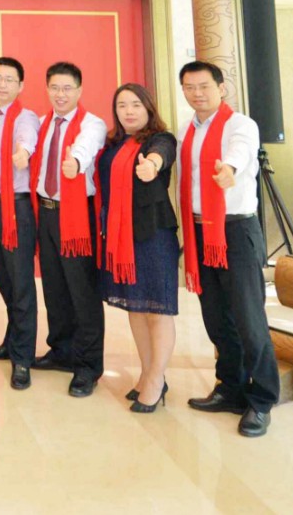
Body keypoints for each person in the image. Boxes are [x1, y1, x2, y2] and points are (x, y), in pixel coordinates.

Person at [177, 60, 277, 438]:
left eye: (204, 86)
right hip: (201, 230)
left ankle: (262, 400)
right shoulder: (187, 131)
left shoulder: (240, 125)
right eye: (189, 87)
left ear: (221, 88)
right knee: (217, 319)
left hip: (235, 231)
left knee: (249, 320)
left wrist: (229, 170)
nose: (197, 93)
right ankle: (231, 388)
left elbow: (241, 151)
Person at [94, 82, 180, 413]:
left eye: (135, 105)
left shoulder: (160, 139)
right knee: (137, 308)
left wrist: (152, 165)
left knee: (158, 310)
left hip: (152, 236)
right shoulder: (114, 144)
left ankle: (157, 380)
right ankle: (148, 373)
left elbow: (162, 154)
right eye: (122, 106)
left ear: (148, 108)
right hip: (122, 237)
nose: (128, 111)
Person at [36, 62, 109, 398]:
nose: (60, 94)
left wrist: (75, 163)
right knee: (55, 288)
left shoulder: (92, 123)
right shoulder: (43, 123)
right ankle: (61, 350)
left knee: (82, 292)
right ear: (47, 89)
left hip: (77, 215)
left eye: (67, 88)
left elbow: (86, 146)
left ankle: (88, 365)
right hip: (47, 213)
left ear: (79, 90)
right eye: (55, 87)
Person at [0, 57, 43, 390]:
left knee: (21, 285)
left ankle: (22, 359)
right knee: (4, 280)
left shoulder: (24, 117)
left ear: (21, 85)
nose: (2, 85)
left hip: (15, 208)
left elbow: (27, 139)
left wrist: (22, 152)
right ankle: (12, 340)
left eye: (9, 80)